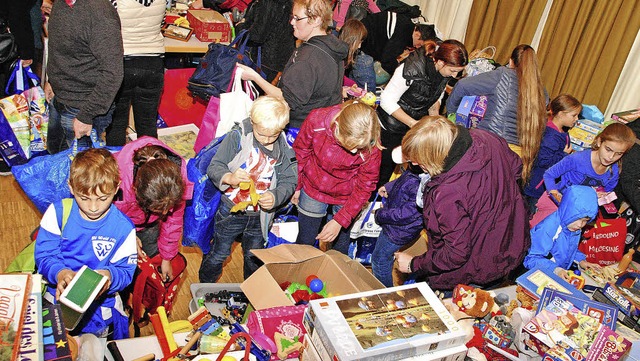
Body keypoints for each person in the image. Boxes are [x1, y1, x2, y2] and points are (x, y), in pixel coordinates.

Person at [394, 117, 529, 291]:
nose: (413, 164)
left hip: (473, 270)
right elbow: (516, 168)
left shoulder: (446, 192)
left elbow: (456, 253)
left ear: (434, 156)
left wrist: (413, 264)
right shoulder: (486, 138)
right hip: (510, 242)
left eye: (418, 160)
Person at [35, 148, 137, 339]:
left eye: (102, 198)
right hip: (56, 301)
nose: (93, 207)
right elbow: (44, 256)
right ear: (71, 187)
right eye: (84, 198)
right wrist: (60, 273)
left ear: (116, 188)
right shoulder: (57, 213)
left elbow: (125, 271)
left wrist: (109, 277)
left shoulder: (123, 228)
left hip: (102, 312)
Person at [199, 96, 297, 283]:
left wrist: (276, 197)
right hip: (231, 211)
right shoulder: (238, 136)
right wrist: (230, 177)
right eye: (262, 134)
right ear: (252, 122)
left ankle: (250, 291)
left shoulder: (283, 146)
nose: (267, 140)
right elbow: (215, 166)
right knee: (219, 253)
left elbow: (290, 179)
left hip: (261, 216)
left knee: (253, 257)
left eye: (273, 135)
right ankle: (204, 287)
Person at [237, 0, 348, 129]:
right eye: (292, 17)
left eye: (297, 18)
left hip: (301, 130)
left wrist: (254, 77)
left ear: (316, 20)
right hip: (323, 125)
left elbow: (286, 100)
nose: (292, 22)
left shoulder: (307, 59)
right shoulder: (332, 46)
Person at [446, 44, 547, 184]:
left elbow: (462, 86)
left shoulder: (502, 75)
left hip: (490, 147)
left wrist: (451, 113)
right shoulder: (542, 91)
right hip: (519, 156)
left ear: (511, 61)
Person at [292, 100, 382, 255]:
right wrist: (296, 186)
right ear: (338, 126)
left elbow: (366, 185)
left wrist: (341, 220)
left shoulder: (371, 144)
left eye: (359, 148)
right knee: (304, 242)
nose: (354, 152)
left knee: (340, 247)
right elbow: (300, 153)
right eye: (350, 145)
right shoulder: (317, 120)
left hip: (347, 197)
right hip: (312, 186)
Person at [377, 39, 467, 188]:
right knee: (384, 170)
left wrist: (436, 121)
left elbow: (435, 98)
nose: (453, 75)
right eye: (452, 71)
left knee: (408, 170)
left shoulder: (442, 74)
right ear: (440, 62)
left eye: (457, 72)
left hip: (412, 126)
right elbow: (386, 100)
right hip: (390, 126)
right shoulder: (410, 68)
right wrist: (413, 123)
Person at [45, 0, 124, 154]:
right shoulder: (61, 4)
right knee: (54, 156)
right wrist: (51, 80)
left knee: (81, 173)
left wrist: (86, 116)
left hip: (83, 107)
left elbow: (113, 73)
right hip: (59, 97)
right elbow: (58, 48)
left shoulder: (99, 13)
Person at [114, 138, 191, 283]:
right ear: (136, 191)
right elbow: (107, 217)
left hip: (148, 225)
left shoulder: (175, 178)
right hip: (119, 225)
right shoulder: (117, 181)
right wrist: (126, 234)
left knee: (147, 259)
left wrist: (167, 258)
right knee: (121, 266)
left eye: (168, 208)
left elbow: (173, 222)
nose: (164, 214)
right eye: (157, 209)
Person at [532, 122, 636, 226]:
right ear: (599, 141)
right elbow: (549, 175)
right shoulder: (577, 159)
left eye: (619, 154)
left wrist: (599, 196)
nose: (611, 157)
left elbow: (606, 190)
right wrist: (557, 196)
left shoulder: (613, 170)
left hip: (578, 215)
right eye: (608, 149)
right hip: (554, 208)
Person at [105, 0, 167, 146]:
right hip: (153, 61)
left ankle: (117, 165)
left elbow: (107, 25)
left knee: (116, 124)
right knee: (148, 125)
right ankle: (149, 167)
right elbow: (162, 22)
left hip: (122, 61)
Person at [524, 185, 600, 281]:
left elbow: (570, 249)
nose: (580, 224)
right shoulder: (548, 227)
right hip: (538, 276)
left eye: (585, 220)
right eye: (578, 219)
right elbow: (531, 259)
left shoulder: (573, 226)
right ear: (568, 212)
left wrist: (581, 261)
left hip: (557, 275)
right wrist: (555, 269)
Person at [524, 94, 581, 214]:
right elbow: (544, 160)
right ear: (560, 114)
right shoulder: (551, 135)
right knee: (529, 215)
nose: (576, 119)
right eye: (574, 115)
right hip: (537, 185)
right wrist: (564, 155)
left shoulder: (561, 131)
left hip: (542, 184)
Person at [371, 159, 424, 287]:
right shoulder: (416, 169)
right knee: (382, 255)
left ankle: (385, 292)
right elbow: (404, 179)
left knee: (380, 260)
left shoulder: (421, 183)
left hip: (399, 230)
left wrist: (380, 215)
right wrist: (389, 187)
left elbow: (405, 214)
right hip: (395, 225)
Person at [234, 0, 297, 83]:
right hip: (279, 58)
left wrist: (240, 27)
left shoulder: (268, 3)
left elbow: (257, 35)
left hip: (263, 60)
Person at [360, 11, 437, 75]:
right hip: (362, 42)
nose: (417, 47)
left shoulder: (406, 23)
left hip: (362, 34)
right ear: (417, 34)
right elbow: (387, 61)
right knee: (369, 83)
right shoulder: (404, 34)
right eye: (419, 44)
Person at [339, 18, 376, 92]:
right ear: (351, 39)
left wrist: (351, 84)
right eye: (359, 42)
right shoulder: (337, 57)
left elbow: (339, 76)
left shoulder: (341, 54)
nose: (359, 46)